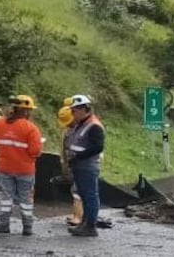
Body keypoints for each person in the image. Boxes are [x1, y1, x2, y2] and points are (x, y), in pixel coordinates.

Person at [0, 95, 43, 236]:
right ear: (26, 111)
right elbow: (35, 151)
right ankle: (27, 227)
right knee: (26, 198)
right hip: (25, 169)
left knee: (6, 197)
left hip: (5, 167)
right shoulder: (31, 128)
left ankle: (4, 224)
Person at [65, 94, 105, 238]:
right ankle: (85, 224)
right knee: (84, 196)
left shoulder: (94, 126)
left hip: (87, 167)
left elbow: (98, 147)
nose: (72, 114)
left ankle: (90, 226)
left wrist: (79, 156)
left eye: (74, 111)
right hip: (79, 166)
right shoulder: (82, 123)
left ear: (84, 109)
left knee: (90, 197)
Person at [57, 97, 84, 227]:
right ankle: (77, 215)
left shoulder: (81, 130)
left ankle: (79, 217)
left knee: (79, 191)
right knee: (76, 191)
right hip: (74, 164)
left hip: (82, 165)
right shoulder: (70, 130)